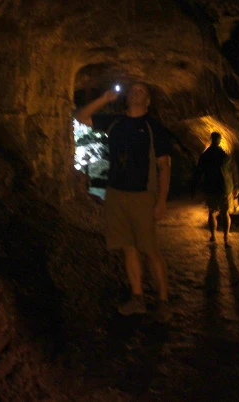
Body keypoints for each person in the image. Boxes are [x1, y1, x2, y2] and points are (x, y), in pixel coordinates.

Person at [73, 82, 173, 323]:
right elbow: (80, 116)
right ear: (127, 97)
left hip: (142, 195)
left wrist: (161, 202)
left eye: (142, 91)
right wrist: (105, 98)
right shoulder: (115, 122)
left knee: (150, 251)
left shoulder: (153, 128)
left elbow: (164, 166)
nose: (137, 92)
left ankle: (162, 302)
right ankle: (137, 298)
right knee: (128, 248)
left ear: (148, 100)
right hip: (116, 194)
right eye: (134, 89)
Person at [192, 132, 234, 246]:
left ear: (211, 139)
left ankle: (213, 236)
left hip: (210, 187)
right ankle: (226, 238)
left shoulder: (205, 155)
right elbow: (232, 171)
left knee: (211, 212)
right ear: (219, 140)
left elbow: (198, 172)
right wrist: (235, 186)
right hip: (224, 188)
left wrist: (195, 187)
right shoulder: (224, 155)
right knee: (225, 213)